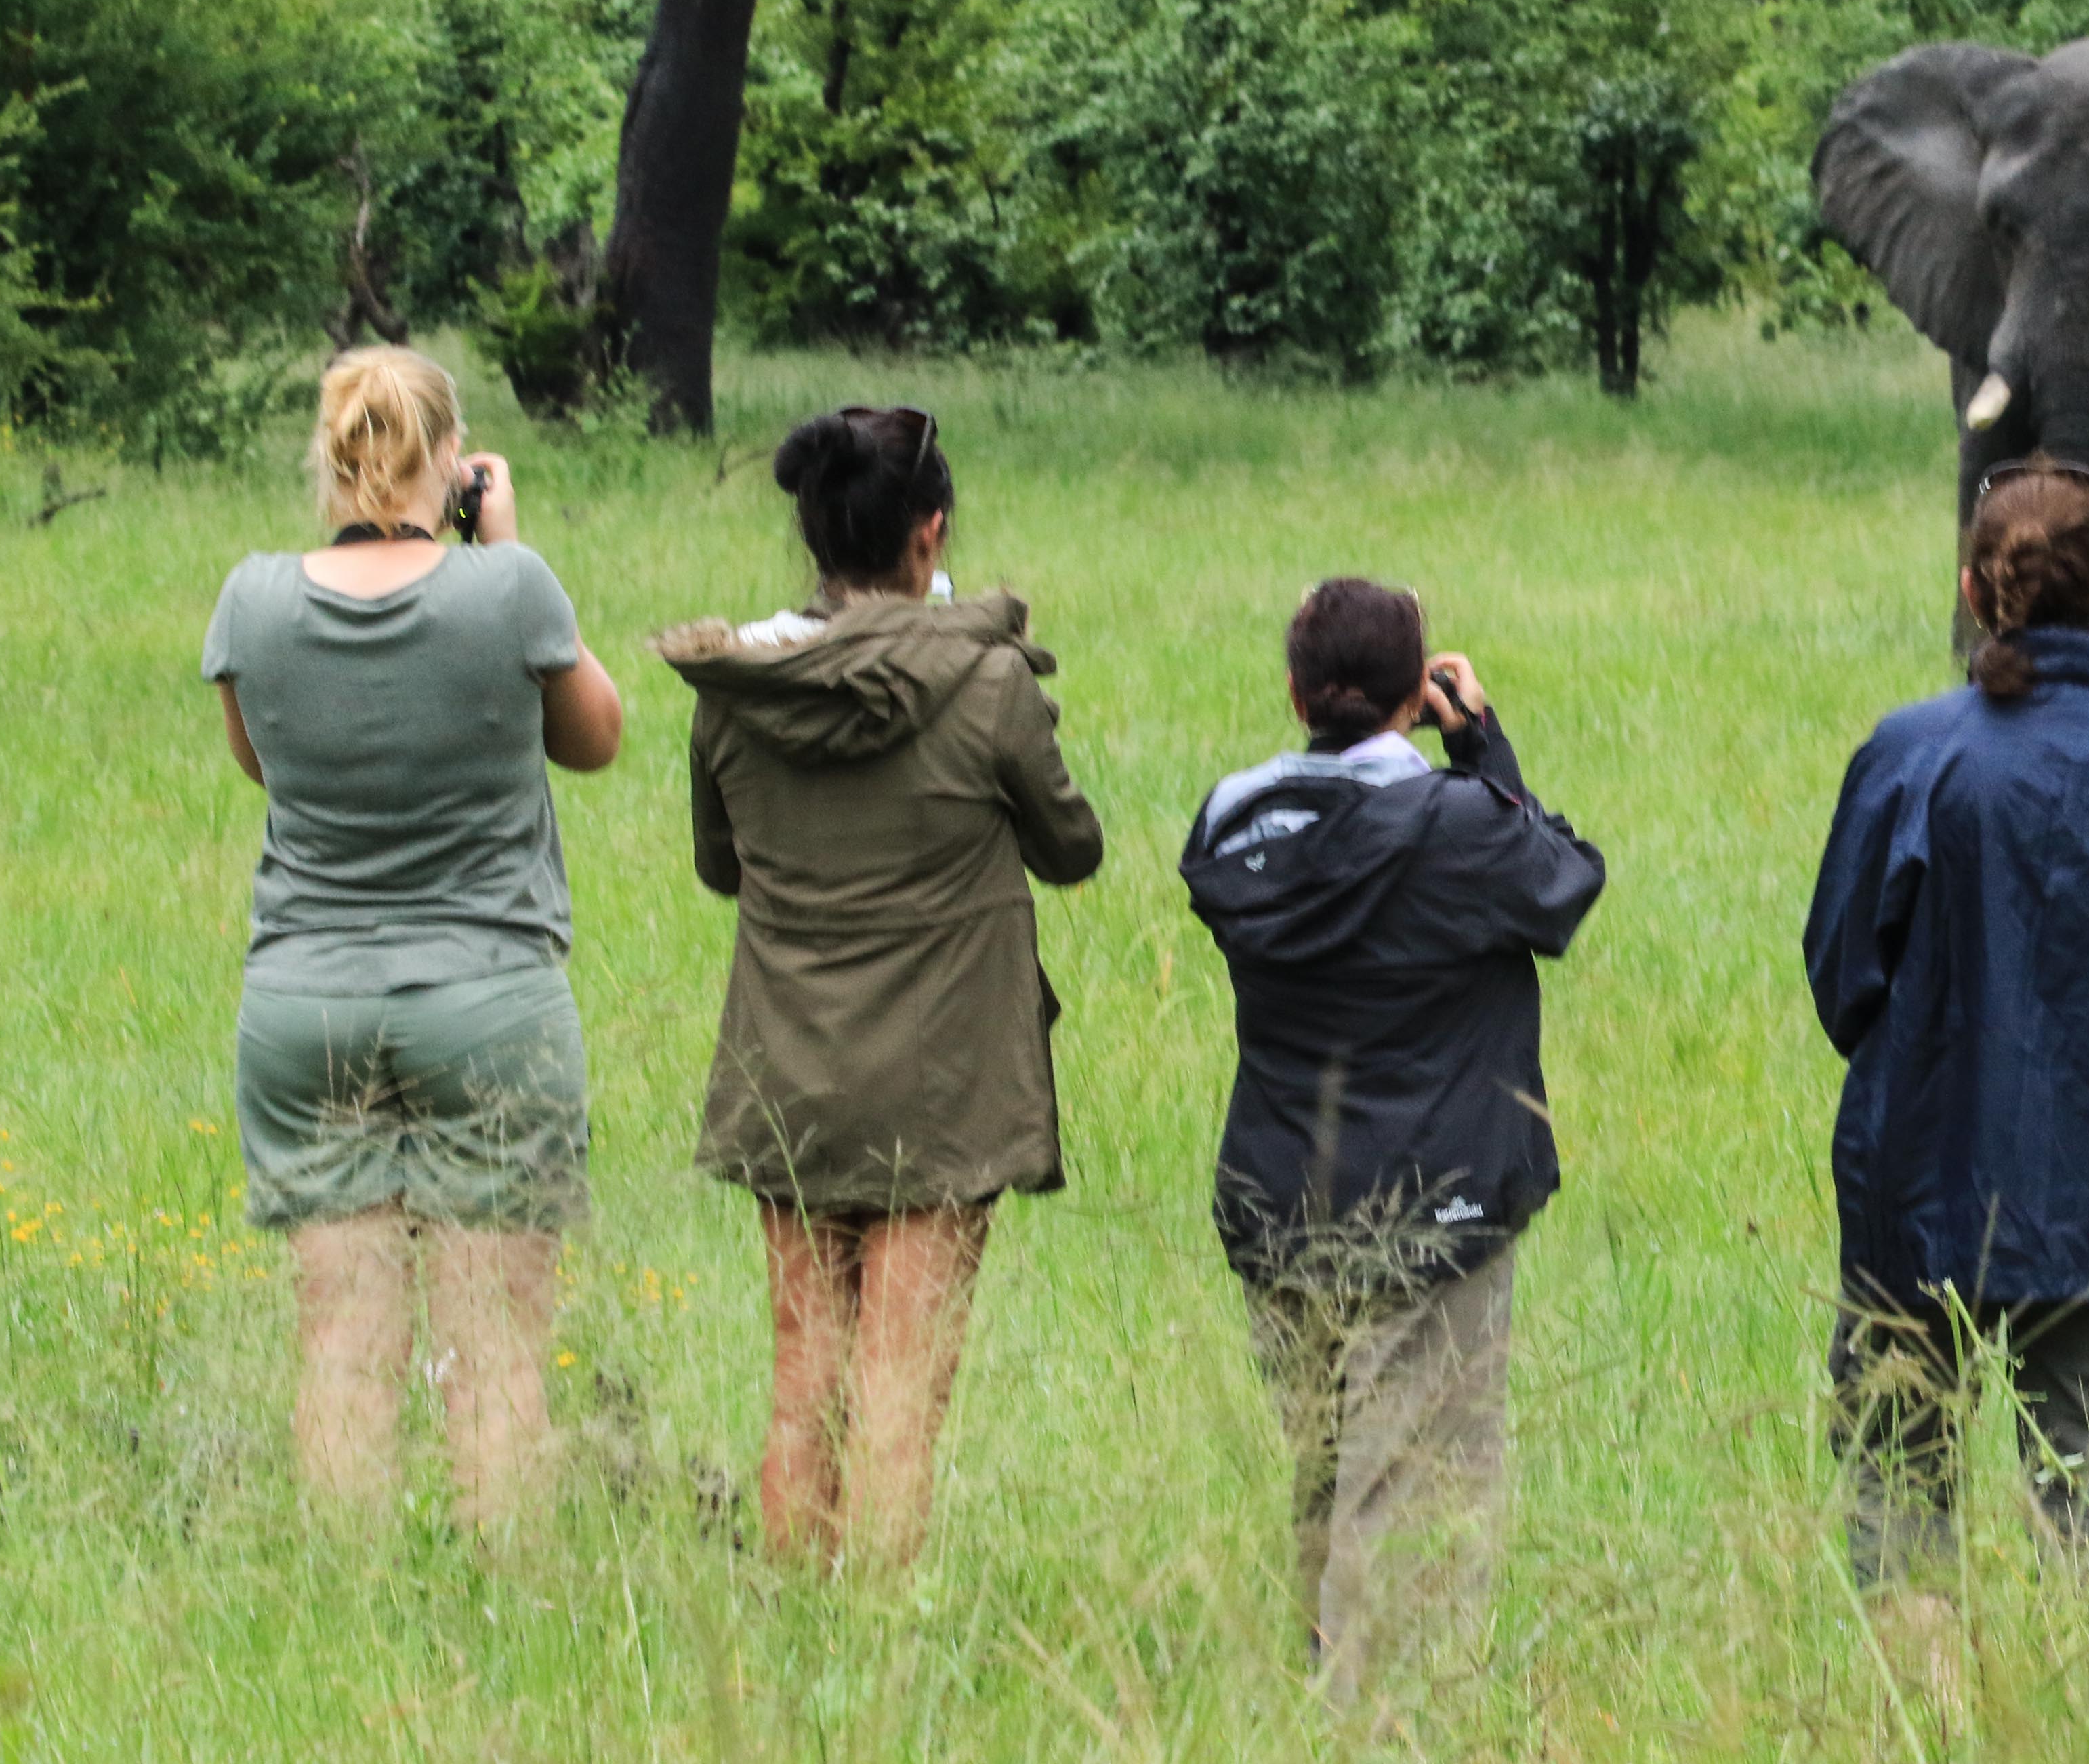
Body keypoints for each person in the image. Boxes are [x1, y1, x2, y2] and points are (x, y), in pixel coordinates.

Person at [653, 406, 1103, 1570]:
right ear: (929, 532)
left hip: (790, 1077)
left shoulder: (738, 688)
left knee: (804, 1383)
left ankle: (798, 1645)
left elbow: (719, 867)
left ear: (812, 536)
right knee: (903, 1395)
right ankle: (876, 1660)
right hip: (944, 1089)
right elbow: (1073, 849)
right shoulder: (991, 684)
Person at [1801, 460, 2089, 1613]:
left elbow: (1841, 977)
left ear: (1972, 587)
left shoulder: (1912, 756)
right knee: (2088, 1509)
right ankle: (2079, 1726)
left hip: (1916, 1199)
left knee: (1899, 1502)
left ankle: (1923, 1727)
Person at [203, 346, 623, 1533]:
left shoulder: (254, 600)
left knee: (342, 1344)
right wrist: (498, 547)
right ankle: (504, 1590)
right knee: (494, 1356)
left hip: (304, 1001)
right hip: (488, 996)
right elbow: (594, 737)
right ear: (450, 461)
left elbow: (261, 764)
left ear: (332, 465)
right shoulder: (511, 588)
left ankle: (353, 1596)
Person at [1179, 578, 1605, 1712]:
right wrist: (1485, 748)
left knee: (1326, 1475)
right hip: (1432, 1209)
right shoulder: (1456, 827)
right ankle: (1381, 1721)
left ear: (1294, 692)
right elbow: (1560, 882)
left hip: (1279, 1201)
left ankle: (1315, 1686)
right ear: (1418, 696)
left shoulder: (1232, 820)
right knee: (1412, 1496)